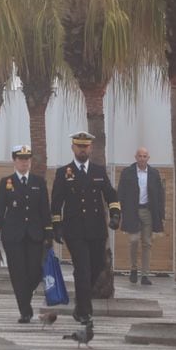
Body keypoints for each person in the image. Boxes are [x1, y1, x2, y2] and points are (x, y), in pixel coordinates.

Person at [52, 132, 121, 323]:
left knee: (96, 267)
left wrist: (115, 215)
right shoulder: (63, 172)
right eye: (79, 146)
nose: (82, 150)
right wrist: (57, 226)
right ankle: (84, 311)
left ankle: (81, 302)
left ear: (90, 148)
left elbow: (111, 195)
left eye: (86, 146)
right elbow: (56, 202)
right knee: (82, 269)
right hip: (74, 230)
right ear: (73, 148)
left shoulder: (99, 171)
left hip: (97, 230)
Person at [0, 145, 53, 324]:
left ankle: (25, 297)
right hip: (13, 236)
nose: (25, 162)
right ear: (14, 161)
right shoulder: (6, 182)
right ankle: (25, 310)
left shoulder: (38, 182)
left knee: (35, 271)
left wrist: (49, 233)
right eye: (21, 159)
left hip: (34, 234)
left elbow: (44, 210)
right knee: (18, 274)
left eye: (27, 159)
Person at [117, 147, 165, 285]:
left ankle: (145, 275)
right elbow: (121, 192)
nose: (142, 158)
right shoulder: (127, 172)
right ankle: (133, 269)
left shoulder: (154, 173)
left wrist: (161, 214)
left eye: (145, 156)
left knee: (147, 243)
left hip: (148, 211)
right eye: (140, 156)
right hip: (132, 211)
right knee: (133, 240)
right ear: (135, 157)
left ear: (148, 158)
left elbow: (160, 195)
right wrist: (119, 211)